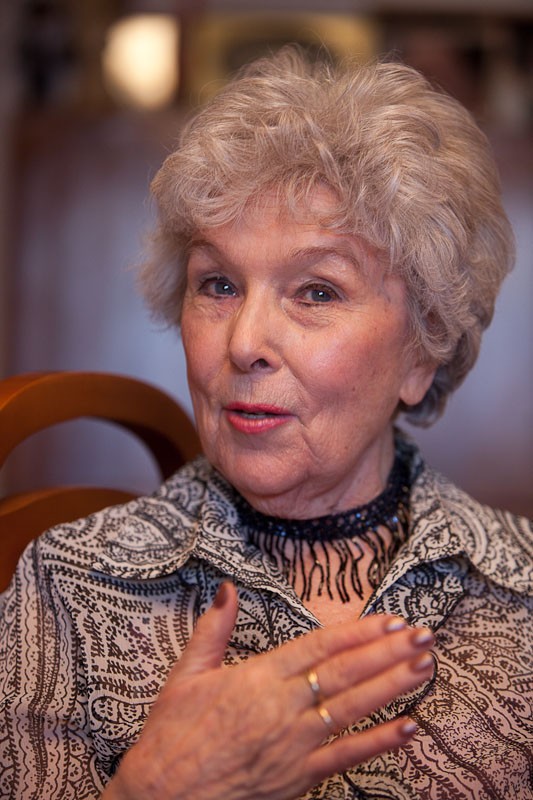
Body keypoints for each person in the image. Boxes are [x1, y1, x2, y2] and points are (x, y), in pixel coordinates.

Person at [1, 46, 531, 800]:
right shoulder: (70, 584)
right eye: (218, 284)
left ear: (423, 347)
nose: (244, 342)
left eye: (317, 292)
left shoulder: (520, 592)